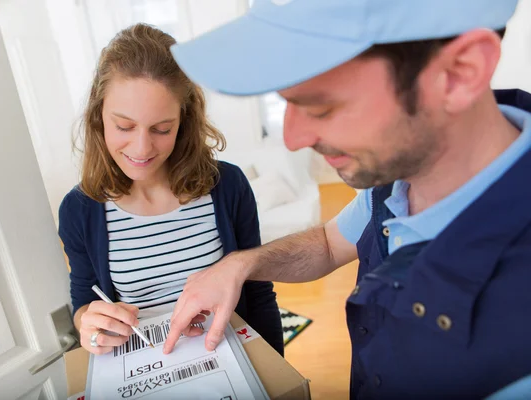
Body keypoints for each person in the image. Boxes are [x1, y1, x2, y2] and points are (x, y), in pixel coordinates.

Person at [161, 0, 531, 398]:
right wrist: (241, 264)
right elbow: (328, 243)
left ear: (459, 74)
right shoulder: (399, 176)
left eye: (320, 106)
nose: (292, 139)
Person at [58, 23, 284, 357]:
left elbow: (259, 291)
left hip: (230, 361)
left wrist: (277, 377)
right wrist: (89, 327)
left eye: (162, 129)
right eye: (124, 126)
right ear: (98, 118)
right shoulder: (80, 210)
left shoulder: (228, 187)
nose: (142, 148)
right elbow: (84, 303)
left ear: (183, 121)